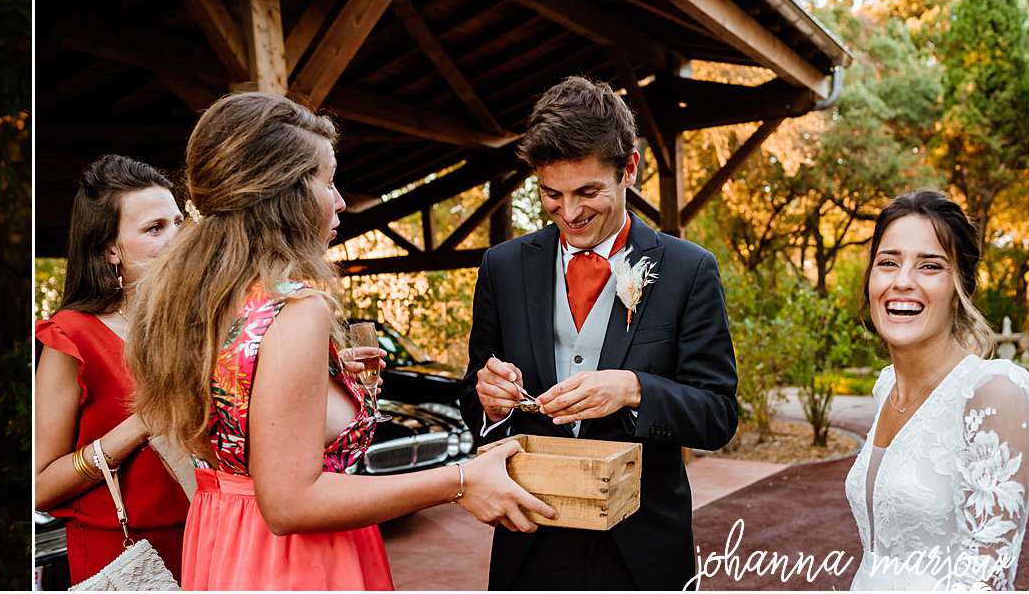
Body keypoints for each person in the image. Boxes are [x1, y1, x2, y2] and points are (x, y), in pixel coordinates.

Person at [128, 91, 553, 591]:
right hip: (295, 563)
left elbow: (239, 409)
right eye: (327, 181)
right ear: (283, 191)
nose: (341, 201)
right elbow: (290, 503)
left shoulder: (196, 300)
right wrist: (461, 480)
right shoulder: (295, 308)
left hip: (225, 539)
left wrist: (325, 377)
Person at [459, 76, 738, 589]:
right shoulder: (502, 267)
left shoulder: (688, 269)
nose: (569, 213)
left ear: (629, 167)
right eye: (551, 194)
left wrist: (634, 390)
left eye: (588, 191)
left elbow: (718, 415)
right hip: (529, 542)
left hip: (643, 553)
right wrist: (490, 400)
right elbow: (473, 402)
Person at [844, 190, 1028, 590]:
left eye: (929, 266)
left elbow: (987, 583)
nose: (902, 281)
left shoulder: (992, 394)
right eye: (888, 262)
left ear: (959, 286)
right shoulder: (886, 386)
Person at [33, 154, 190, 583]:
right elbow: (39, 486)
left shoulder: (197, 327)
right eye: (155, 228)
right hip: (126, 554)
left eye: (178, 222)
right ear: (110, 251)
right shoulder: (71, 338)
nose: (177, 239)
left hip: (210, 537)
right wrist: (140, 426)